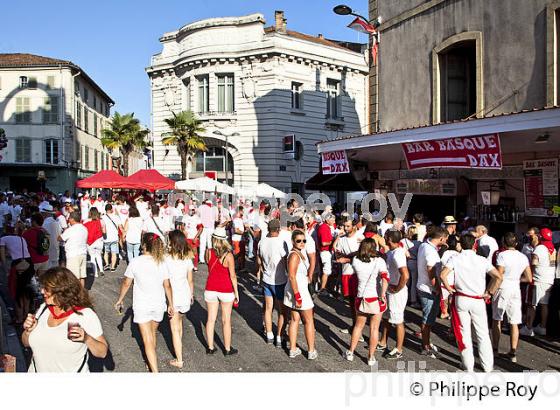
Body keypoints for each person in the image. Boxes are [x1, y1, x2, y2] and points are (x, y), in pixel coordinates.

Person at [21, 267, 108, 372]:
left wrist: (86, 338)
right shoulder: (43, 309)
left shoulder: (85, 315)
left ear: (61, 290)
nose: (42, 291)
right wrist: (28, 331)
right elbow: (26, 343)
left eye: (47, 288)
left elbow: (102, 352)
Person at [440, 234, 502, 372]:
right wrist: (489, 292)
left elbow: (442, 275)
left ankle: (468, 365)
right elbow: (498, 276)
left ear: (460, 244)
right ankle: (487, 366)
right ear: (474, 245)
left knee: (464, 333)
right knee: (483, 334)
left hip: (461, 298)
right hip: (478, 299)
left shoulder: (455, 258)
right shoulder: (482, 260)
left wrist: (449, 289)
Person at [115, 233, 174, 372]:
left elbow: (126, 283)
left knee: (147, 340)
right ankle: (150, 361)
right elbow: (167, 285)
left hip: (142, 305)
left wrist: (120, 299)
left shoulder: (136, 262)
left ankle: (154, 371)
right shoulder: (161, 262)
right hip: (159, 304)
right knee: (152, 335)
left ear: (144, 245)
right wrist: (171, 303)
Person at [344, 238, 388, 366]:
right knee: (374, 328)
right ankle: (371, 356)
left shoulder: (356, 261)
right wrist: (383, 294)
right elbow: (385, 278)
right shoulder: (379, 261)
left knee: (358, 326)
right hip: (375, 298)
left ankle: (351, 352)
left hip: (361, 297)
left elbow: (352, 257)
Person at [492, 232, 532, 362]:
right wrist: (517, 279)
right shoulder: (523, 257)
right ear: (516, 243)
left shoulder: (502, 255)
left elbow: (499, 274)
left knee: (497, 318)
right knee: (514, 321)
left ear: (503, 242)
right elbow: (529, 278)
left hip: (503, 287)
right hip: (515, 288)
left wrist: (490, 290)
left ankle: (495, 349)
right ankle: (513, 352)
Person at [204, 227, 239, 355]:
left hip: (211, 288)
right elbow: (233, 276)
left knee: (211, 319)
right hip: (225, 290)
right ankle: (227, 348)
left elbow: (210, 268)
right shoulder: (228, 255)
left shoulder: (208, 252)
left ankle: (210, 347)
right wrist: (236, 293)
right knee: (226, 320)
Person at [284, 229, 317, 360]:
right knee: (308, 321)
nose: (302, 243)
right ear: (293, 241)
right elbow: (292, 276)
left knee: (295, 319)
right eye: (299, 241)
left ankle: (293, 349)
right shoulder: (294, 255)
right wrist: (298, 296)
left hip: (297, 288)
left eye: (304, 240)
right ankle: (311, 350)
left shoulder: (299, 253)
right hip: (298, 290)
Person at [165, 230, 195, 369]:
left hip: (173, 296)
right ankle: (179, 350)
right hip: (185, 294)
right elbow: (190, 280)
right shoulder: (187, 259)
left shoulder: (166, 259)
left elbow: (165, 282)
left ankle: (179, 359)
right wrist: (191, 295)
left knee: (174, 328)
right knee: (180, 324)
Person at [257, 219, 289, 347]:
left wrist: (263, 270)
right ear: (278, 230)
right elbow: (286, 261)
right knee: (282, 311)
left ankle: (269, 334)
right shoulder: (282, 242)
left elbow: (259, 261)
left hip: (266, 278)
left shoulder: (262, 241)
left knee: (268, 309)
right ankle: (279, 337)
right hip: (280, 279)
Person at [416, 226, 447, 357]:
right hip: (428, 289)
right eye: (445, 238)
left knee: (428, 319)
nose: (446, 240)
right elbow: (431, 272)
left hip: (423, 286)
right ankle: (425, 346)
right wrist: (437, 289)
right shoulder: (430, 251)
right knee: (427, 320)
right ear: (440, 238)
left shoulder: (425, 245)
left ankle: (427, 342)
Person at [379, 230, 409, 359]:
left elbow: (405, 275)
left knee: (398, 321)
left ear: (390, 238)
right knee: (386, 317)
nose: (383, 238)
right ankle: (383, 342)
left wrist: (397, 288)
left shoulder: (398, 254)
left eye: (385, 237)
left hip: (397, 292)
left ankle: (398, 349)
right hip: (390, 290)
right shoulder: (393, 252)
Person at [521, 228, 556, 337]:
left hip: (538, 279)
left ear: (540, 236)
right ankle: (542, 327)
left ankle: (528, 328)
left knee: (532, 305)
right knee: (544, 304)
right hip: (549, 280)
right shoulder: (552, 248)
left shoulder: (540, 248)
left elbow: (534, 263)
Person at [0, 222, 34, 323]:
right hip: (29, 264)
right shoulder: (21, 238)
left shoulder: (3, 239)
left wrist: (5, 269)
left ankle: (19, 319)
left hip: (18, 265)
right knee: (26, 293)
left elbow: (2, 256)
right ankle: (25, 316)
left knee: (17, 293)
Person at [334, 217, 361, 336]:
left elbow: (364, 254)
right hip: (346, 272)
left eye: (348, 226)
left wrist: (348, 258)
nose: (345, 228)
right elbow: (337, 253)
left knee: (357, 302)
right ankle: (354, 326)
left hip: (357, 273)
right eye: (344, 226)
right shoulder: (342, 238)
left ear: (354, 226)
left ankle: (358, 330)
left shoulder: (360, 238)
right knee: (350, 301)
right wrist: (340, 257)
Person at [60, 211, 88, 287]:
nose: (68, 220)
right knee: (82, 276)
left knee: (74, 277)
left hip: (73, 255)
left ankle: (77, 294)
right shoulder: (84, 228)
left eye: (69, 218)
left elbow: (60, 238)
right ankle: (82, 292)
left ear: (72, 219)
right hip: (83, 253)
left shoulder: (70, 230)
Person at [440, 235, 461, 319]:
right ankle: (451, 313)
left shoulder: (444, 253)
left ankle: (444, 312)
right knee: (452, 298)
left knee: (444, 297)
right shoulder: (458, 254)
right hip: (454, 279)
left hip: (444, 279)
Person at [317, 213, 336, 296]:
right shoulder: (324, 227)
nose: (334, 221)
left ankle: (324, 287)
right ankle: (322, 288)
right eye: (333, 219)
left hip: (325, 252)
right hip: (325, 251)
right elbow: (324, 243)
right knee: (326, 270)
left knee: (327, 270)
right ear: (328, 220)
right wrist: (333, 240)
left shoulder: (325, 227)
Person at [401, 225, 420, 307]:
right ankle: (413, 300)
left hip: (406, 262)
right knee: (413, 282)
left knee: (407, 282)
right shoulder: (418, 243)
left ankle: (405, 298)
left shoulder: (403, 241)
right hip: (415, 262)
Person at [83, 208, 105, 278]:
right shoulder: (101, 221)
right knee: (98, 255)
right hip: (99, 240)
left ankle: (95, 273)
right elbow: (104, 232)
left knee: (92, 257)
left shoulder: (86, 221)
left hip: (90, 241)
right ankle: (101, 270)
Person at [102, 204, 122, 272]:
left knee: (106, 252)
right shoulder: (116, 217)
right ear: (111, 209)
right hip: (114, 238)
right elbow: (120, 227)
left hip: (106, 238)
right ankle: (113, 267)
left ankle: (107, 264)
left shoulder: (102, 217)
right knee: (114, 253)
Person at [40, 204, 62, 269]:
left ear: (45, 214)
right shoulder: (57, 223)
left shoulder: (44, 224)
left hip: (47, 251)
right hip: (56, 250)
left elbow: (43, 238)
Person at [182, 205, 202, 271]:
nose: (192, 211)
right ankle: (186, 266)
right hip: (186, 237)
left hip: (193, 237)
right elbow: (182, 225)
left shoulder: (197, 218)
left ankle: (195, 266)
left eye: (193, 210)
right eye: (190, 210)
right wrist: (183, 230)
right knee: (186, 252)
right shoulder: (185, 217)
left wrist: (196, 237)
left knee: (195, 252)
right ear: (188, 210)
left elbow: (201, 228)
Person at [198, 200, 215, 264]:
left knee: (202, 244)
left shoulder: (201, 207)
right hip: (210, 228)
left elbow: (198, 216)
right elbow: (216, 219)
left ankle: (202, 259)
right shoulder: (213, 209)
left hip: (203, 227)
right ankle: (210, 258)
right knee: (210, 244)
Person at [232, 206, 246, 272]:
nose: (243, 212)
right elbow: (236, 230)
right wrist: (243, 233)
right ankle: (234, 267)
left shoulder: (240, 219)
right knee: (237, 254)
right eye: (242, 211)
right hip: (236, 239)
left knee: (242, 254)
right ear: (239, 211)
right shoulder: (236, 220)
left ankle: (241, 267)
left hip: (240, 239)